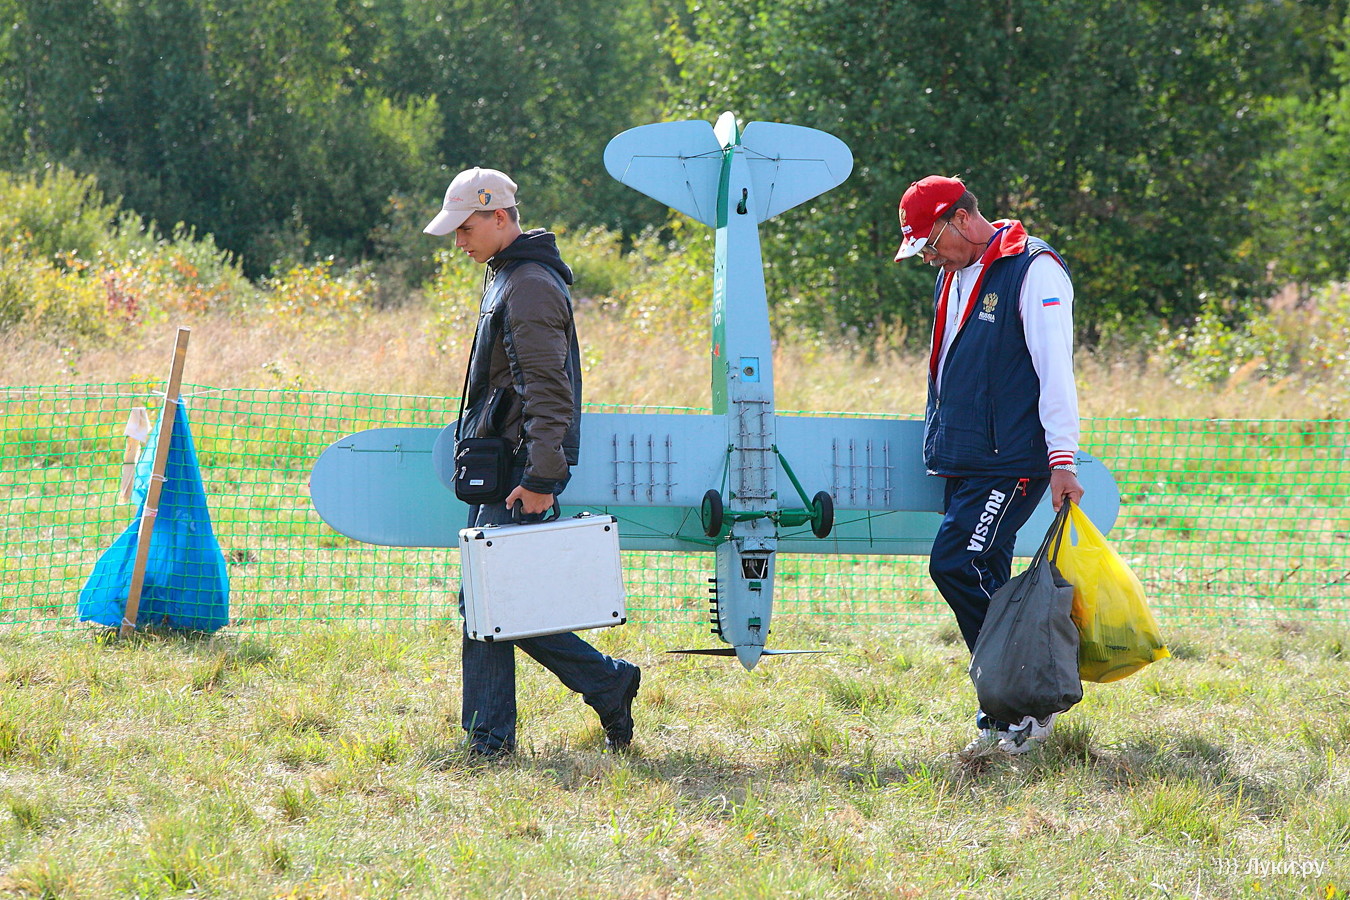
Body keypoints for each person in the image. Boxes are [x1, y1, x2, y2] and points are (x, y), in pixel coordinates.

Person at [424, 166, 640, 759]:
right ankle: (496, 735)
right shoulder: (509, 276)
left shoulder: (529, 285)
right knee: (488, 599)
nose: (459, 242)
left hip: (521, 468)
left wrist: (542, 478)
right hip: (505, 464)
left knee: (490, 600)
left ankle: (586, 692)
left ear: (499, 216)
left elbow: (549, 390)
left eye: (465, 228)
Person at [894, 175, 1084, 757]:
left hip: (1013, 462)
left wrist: (1062, 459)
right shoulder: (952, 272)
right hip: (967, 459)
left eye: (930, 244)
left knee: (958, 563)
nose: (928, 258)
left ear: (959, 218)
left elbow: (1056, 369)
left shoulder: (1034, 270)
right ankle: (1008, 712)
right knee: (987, 574)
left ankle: (1025, 706)